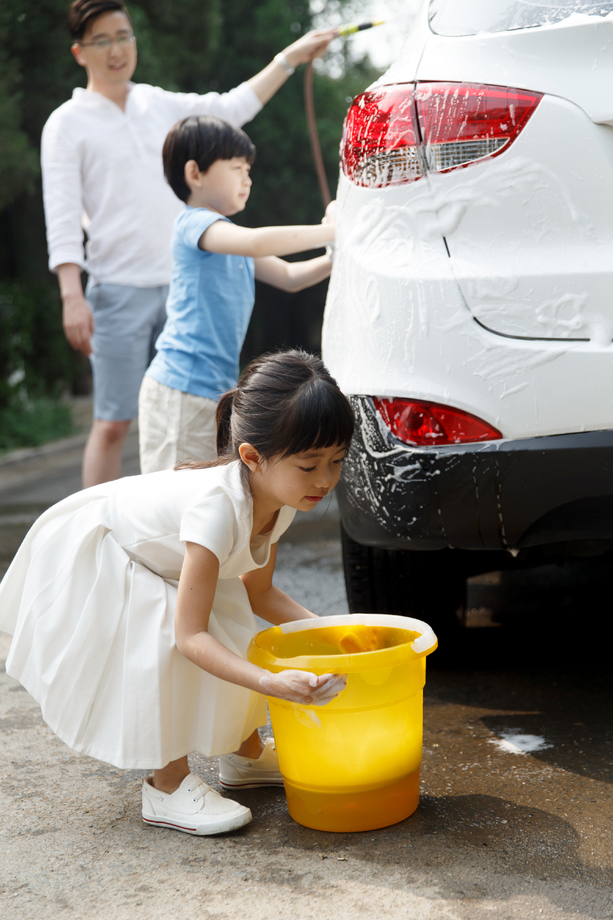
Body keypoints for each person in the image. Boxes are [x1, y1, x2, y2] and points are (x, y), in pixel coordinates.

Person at [0, 350, 353, 836]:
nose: (326, 480)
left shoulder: (283, 498)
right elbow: (189, 637)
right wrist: (272, 684)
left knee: (232, 622)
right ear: (251, 456)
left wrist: (337, 634)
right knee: (166, 639)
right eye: (310, 465)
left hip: (160, 555)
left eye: (336, 461)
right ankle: (165, 786)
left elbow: (260, 594)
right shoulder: (217, 509)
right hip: (109, 549)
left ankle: (245, 756)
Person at [42, 0, 337, 488]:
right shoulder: (67, 122)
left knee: (201, 460)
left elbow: (231, 109)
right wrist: (72, 294)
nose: (117, 49)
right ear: (79, 51)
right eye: (103, 40)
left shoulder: (158, 103)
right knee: (114, 422)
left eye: (124, 36)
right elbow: (61, 213)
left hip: (186, 277)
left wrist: (290, 58)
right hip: (119, 285)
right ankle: (99, 536)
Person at [138, 115, 335, 474]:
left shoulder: (229, 240)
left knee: (205, 498)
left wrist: (333, 258)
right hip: (179, 391)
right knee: (171, 506)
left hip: (210, 393)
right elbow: (255, 240)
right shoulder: (194, 223)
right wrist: (331, 232)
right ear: (195, 174)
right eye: (236, 167)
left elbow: (289, 276)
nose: (247, 177)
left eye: (248, 168)